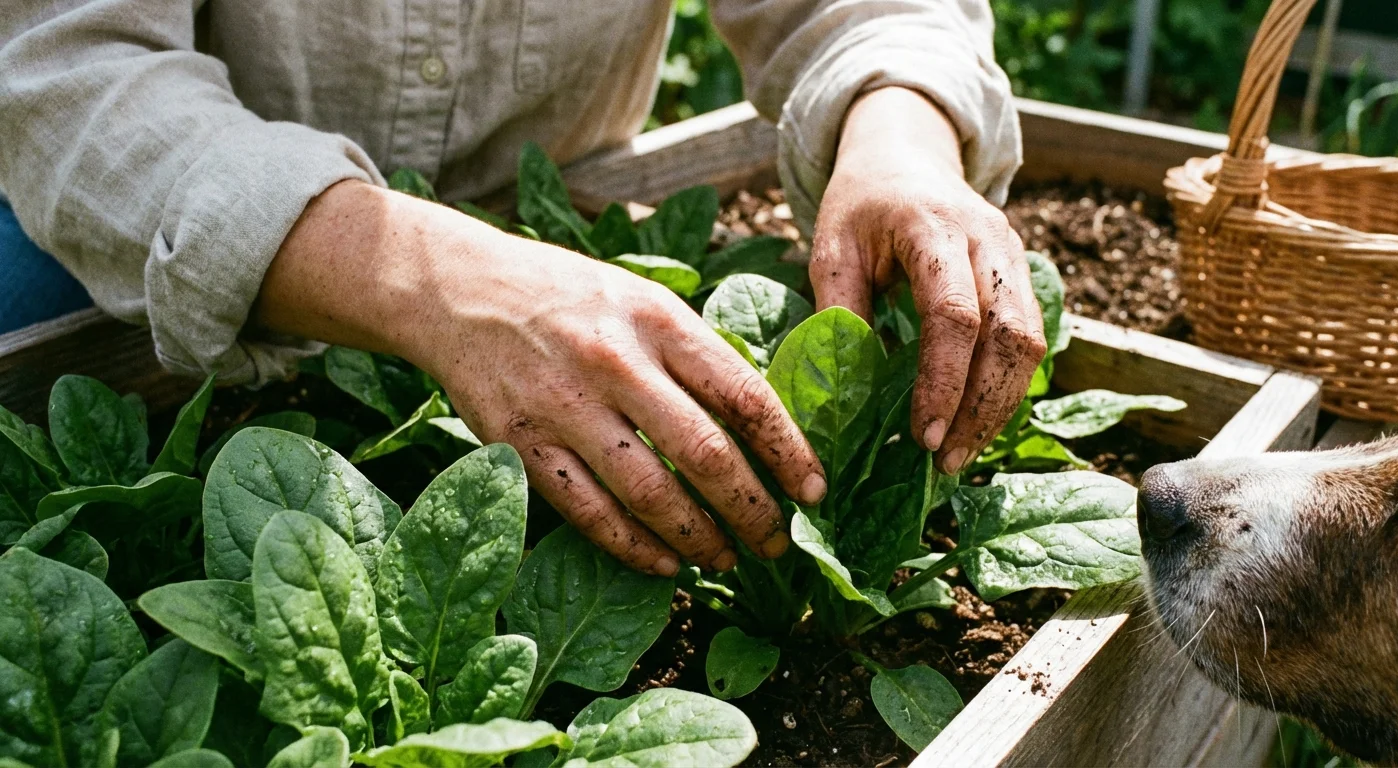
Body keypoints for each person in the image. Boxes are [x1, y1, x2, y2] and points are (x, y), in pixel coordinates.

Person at [0, 0, 1045, 577]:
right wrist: (431, 278)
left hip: (577, 262)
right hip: (142, 266)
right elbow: (69, 69)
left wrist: (899, 131)